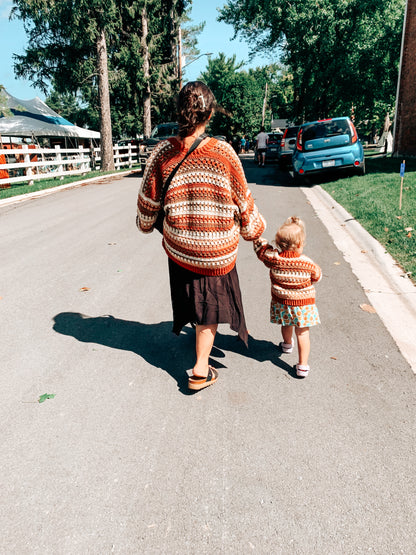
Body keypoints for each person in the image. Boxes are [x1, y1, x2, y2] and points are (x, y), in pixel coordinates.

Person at [136, 81, 266, 391]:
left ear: (180, 113)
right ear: (210, 114)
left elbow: (146, 211)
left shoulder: (163, 152)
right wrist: (255, 233)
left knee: (194, 293)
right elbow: (244, 203)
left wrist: (150, 223)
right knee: (208, 303)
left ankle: (198, 345)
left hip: (181, 248)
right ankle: (199, 367)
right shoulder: (224, 153)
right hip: (217, 250)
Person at [253, 216, 322, 378]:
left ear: (278, 243)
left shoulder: (274, 259)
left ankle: (287, 345)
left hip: (282, 303)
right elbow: (317, 276)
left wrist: (257, 238)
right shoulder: (306, 263)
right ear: (300, 244)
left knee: (286, 323)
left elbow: (261, 251)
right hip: (303, 305)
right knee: (303, 333)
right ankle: (303, 365)